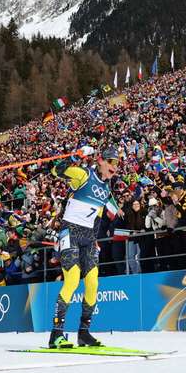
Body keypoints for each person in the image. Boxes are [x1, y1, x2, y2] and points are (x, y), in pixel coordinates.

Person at [48, 146, 120, 349]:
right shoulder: (84, 174)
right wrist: (74, 155)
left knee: (92, 283)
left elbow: (97, 216)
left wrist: (95, 238)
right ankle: (56, 335)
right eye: (112, 162)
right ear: (101, 161)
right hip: (70, 232)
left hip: (88, 238)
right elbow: (56, 171)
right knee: (72, 280)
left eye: (117, 163)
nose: (115, 166)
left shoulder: (106, 189)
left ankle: (84, 333)